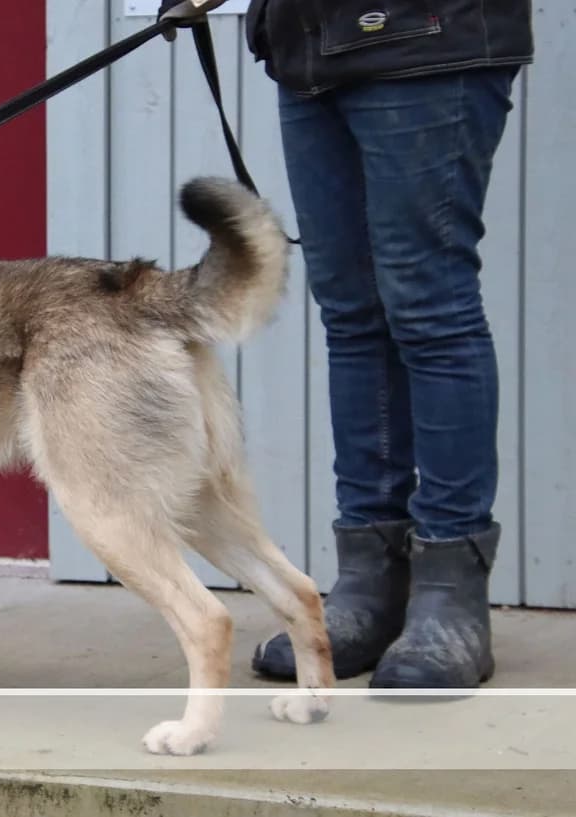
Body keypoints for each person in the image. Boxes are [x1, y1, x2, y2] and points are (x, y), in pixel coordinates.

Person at [160, 0, 533, 687]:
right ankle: (371, 576)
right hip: (312, 47)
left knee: (431, 309)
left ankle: (452, 585)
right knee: (354, 317)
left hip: (429, 36)